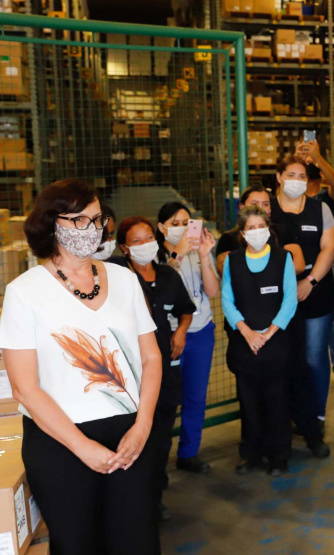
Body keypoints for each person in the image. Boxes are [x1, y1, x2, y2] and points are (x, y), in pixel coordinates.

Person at [0, 179, 162, 553]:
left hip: (130, 436)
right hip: (61, 443)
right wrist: (83, 448)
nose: (94, 229)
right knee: (78, 544)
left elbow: (152, 358)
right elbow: (25, 388)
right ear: (51, 223)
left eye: (97, 218)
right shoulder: (24, 293)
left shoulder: (124, 279)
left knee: (137, 540)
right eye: (80, 220)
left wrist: (143, 426)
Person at [114, 216, 195, 522]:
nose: (146, 244)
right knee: (134, 435)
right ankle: (136, 497)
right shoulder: (119, 275)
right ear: (124, 247)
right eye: (136, 241)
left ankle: (156, 494)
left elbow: (187, 309)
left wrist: (181, 330)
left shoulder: (167, 275)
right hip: (131, 370)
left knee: (161, 434)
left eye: (149, 237)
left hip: (163, 366)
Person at [221, 206, 298, 477]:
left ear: (269, 229)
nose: (256, 232)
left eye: (260, 226)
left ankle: (279, 457)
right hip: (245, 343)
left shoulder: (283, 258)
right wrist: (247, 332)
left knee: (278, 401)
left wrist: (269, 332)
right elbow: (227, 301)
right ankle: (251, 454)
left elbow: (290, 299)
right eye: (250, 228)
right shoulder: (232, 260)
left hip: (275, 342)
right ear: (242, 233)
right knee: (248, 401)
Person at [271, 154, 334, 458]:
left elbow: (329, 247)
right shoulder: (266, 208)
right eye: (291, 174)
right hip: (272, 297)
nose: (296, 181)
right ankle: (283, 419)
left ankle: (315, 418)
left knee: (313, 358)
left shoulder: (319, 208)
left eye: (302, 176)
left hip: (314, 291)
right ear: (279, 177)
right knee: (283, 359)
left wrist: (309, 281)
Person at [156, 202, 220, 474]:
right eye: (174, 223)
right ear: (161, 228)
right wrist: (178, 253)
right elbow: (160, 291)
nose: (181, 229)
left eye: (186, 223)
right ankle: (158, 458)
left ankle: (189, 452)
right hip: (170, 336)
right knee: (166, 399)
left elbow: (212, 291)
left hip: (201, 332)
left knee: (195, 397)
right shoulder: (154, 256)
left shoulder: (197, 252)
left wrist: (204, 255)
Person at [296, 139, 334, 388]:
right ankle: (307, 367)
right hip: (299, 267)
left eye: (310, 180)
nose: (308, 184)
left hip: (329, 266)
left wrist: (318, 158)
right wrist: (298, 157)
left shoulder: (325, 201)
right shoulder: (290, 201)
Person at [215, 183, 305, 277]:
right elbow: (223, 270)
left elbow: (299, 265)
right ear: (242, 207)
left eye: (265, 204)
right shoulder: (228, 238)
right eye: (254, 204)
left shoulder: (281, 231)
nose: (260, 208)